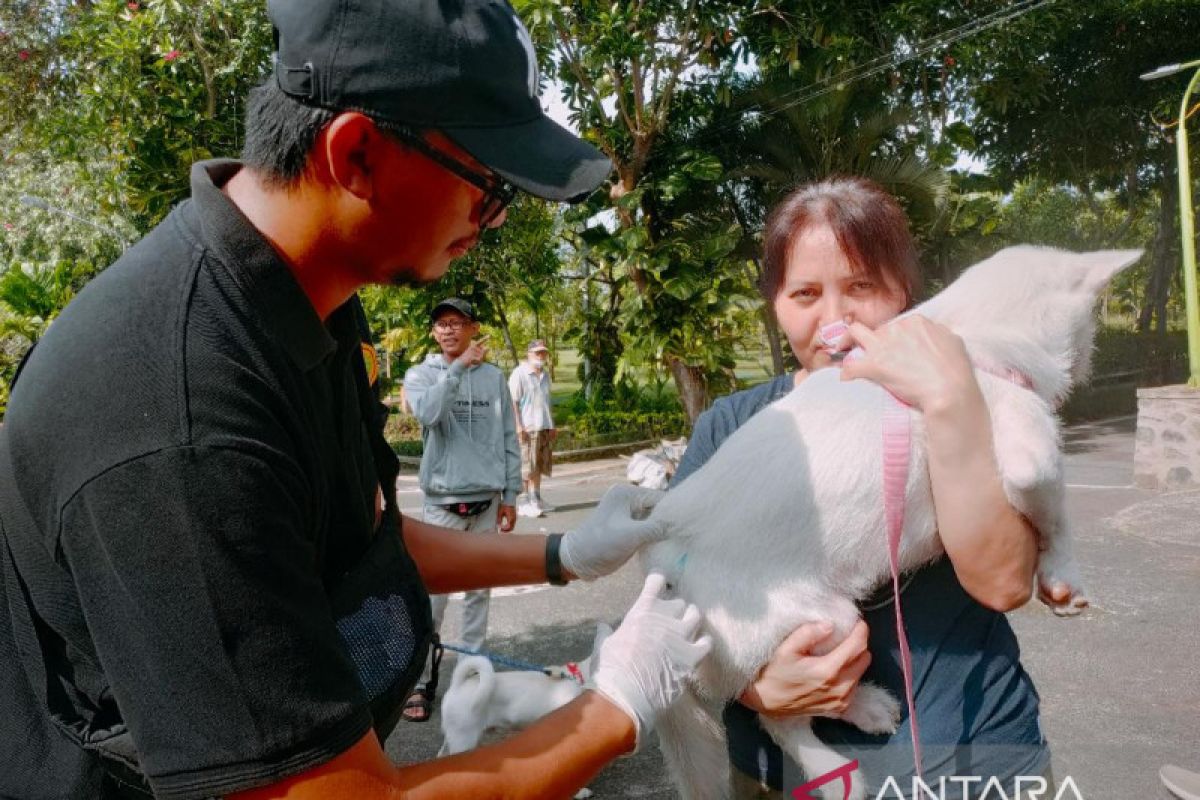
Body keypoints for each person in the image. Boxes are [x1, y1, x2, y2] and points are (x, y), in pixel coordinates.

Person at [0, 2, 711, 799]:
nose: (495, 220)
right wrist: (613, 710)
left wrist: (565, 557)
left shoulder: (315, 296)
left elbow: (365, 536)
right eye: (486, 186)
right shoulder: (180, 416)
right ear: (357, 155)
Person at [670, 177, 1050, 799]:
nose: (835, 320)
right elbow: (671, 595)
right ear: (775, 303)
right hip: (785, 774)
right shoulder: (732, 428)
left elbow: (1005, 581)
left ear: (903, 292)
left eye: (861, 287)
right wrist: (751, 686)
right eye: (805, 294)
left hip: (979, 756)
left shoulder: (966, 399)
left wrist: (951, 405)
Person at [400, 297, 522, 722]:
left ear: (473, 329)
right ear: (434, 333)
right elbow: (430, 413)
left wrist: (511, 494)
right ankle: (419, 683)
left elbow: (507, 434)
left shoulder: (494, 377)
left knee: (478, 596)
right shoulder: (421, 375)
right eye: (441, 324)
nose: (449, 330)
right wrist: (456, 371)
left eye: (457, 322)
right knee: (433, 598)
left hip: (487, 502)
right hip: (443, 503)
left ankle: (469, 683)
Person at [509, 338, 557, 517]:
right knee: (527, 466)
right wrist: (518, 426)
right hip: (528, 427)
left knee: (539, 465)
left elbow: (547, 401)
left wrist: (552, 424)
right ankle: (524, 502)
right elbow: (512, 402)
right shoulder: (519, 374)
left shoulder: (545, 375)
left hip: (543, 425)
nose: (541, 356)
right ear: (529, 354)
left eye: (543, 352)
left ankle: (536, 498)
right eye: (538, 353)